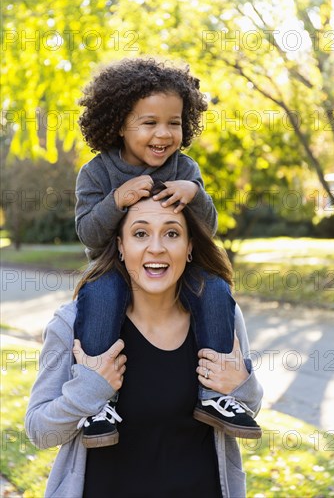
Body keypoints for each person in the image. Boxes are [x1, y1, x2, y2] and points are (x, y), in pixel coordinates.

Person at [25, 186, 263, 498]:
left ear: (190, 246)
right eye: (140, 234)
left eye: (172, 234)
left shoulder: (221, 319)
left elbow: (247, 408)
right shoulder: (73, 325)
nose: (156, 248)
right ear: (120, 246)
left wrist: (244, 385)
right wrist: (89, 389)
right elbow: (39, 430)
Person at [73, 57, 261, 446]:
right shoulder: (96, 174)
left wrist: (196, 195)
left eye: (173, 123)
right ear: (119, 124)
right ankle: (98, 404)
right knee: (99, 295)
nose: (164, 134)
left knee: (214, 288)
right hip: (114, 269)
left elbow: (205, 232)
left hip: (177, 271)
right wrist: (116, 201)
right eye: (149, 123)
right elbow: (89, 235)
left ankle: (215, 396)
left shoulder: (185, 169)